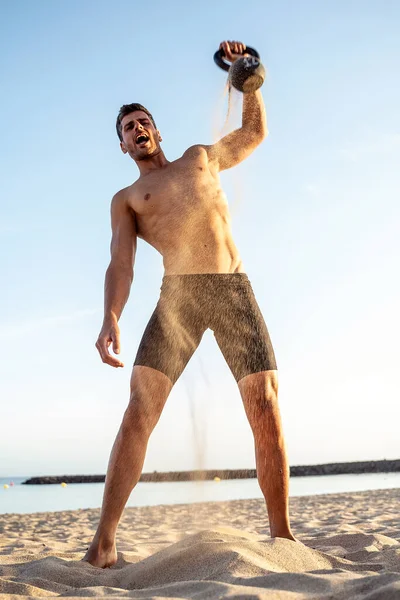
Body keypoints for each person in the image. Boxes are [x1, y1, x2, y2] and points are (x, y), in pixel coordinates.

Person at [84, 40, 296, 568]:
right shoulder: (129, 199)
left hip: (230, 288)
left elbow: (254, 133)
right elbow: (121, 264)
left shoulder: (201, 159)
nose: (137, 129)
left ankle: (283, 535)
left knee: (265, 404)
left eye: (143, 121)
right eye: (127, 127)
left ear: (156, 130)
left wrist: (248, 75)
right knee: (139, 410)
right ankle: (104, 541)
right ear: (122, 146)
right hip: (178, 297)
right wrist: (111, 315)